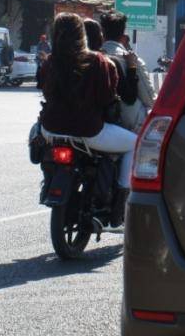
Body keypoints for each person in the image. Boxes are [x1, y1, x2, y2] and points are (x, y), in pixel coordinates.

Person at [38, 13, 135, 224]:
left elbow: (44, 90)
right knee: (136, 144)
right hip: (88, 131)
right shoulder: (99, 61)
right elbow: (107, 98)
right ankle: (121, 197)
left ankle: (48, 180)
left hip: (50, 129)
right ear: (81, 34)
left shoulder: (50, 62)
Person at [99, 10, 155, 132]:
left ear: (102, 33)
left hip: (97, 124)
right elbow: (149, 100)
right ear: (123, 34)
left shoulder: (92, 59)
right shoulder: (131, 60)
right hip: (129, 124)